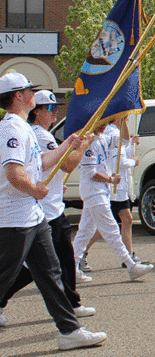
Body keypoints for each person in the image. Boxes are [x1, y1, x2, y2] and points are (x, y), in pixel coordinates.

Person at [0, 73, 107, 350]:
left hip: (33, 218)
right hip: (15, 220)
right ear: (18, 96)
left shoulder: (22, 127)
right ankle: (70, 329)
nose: (32, 95)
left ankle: (70, 331)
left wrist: (66, 145)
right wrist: (35, 190)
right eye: (29, 91)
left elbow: (41, 162)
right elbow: (14, 173)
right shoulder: (12, 128)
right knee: (5, 275)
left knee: (50, 273)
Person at [71, 122, 153, 281]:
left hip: (101, 191)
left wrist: (123, 119)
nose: (103, 125)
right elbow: (90, 172)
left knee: (85, 231)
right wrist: (110, 179)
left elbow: (124, 141)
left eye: (105, 121)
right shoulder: (88, 141)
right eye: (100, 122)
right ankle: (130, 265)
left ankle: (71, 267)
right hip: (94, 191)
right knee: (111, 229)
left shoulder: (103, 138)